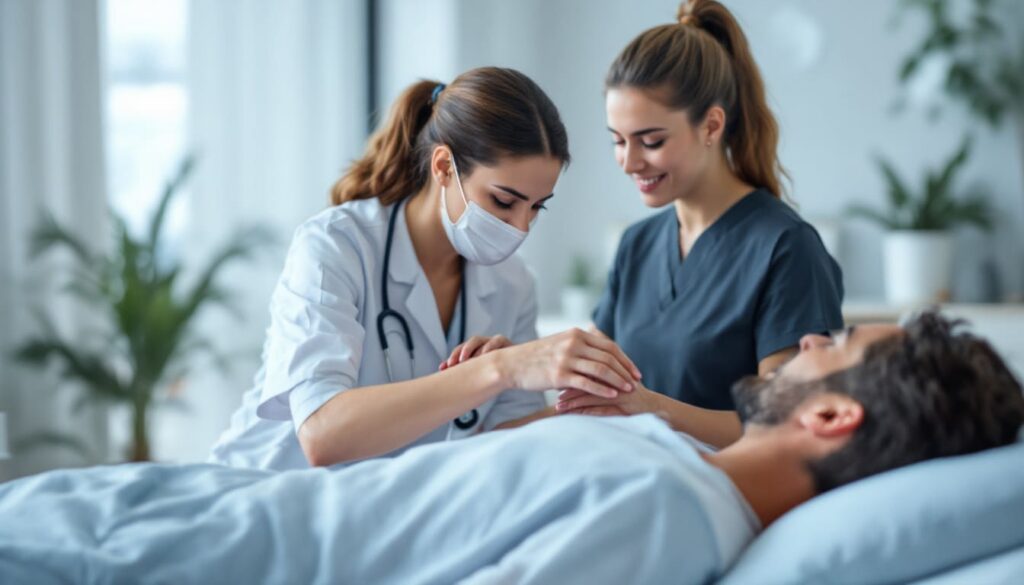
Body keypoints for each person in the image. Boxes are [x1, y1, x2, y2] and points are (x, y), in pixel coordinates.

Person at [4, 312, 1021, 584]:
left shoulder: (672, 517)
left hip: (143, 560)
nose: (809, 337)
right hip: (145, 514)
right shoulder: (662, 464)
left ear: (833, 418)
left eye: (834, 347)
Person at [209, 67, 641, 470]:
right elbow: (323, 435)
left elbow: (498, 442)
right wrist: (498, 370)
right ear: (442, 167)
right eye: (504, 202)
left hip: (372, 507)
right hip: (265, 489)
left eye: (536, 207)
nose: (521, 227)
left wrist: (583, 411)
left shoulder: (513, 284)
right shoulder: (336, 245)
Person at [555, 0, 845, 447]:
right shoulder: (636, 246)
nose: (629, 162)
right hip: (623, 473)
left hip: (715, 493)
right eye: (617, 141)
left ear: (711, 126)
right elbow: (585, 388)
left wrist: (654, 410)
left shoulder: (785, 247)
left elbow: (785, 426)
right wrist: (507, 369)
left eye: (650, 141)